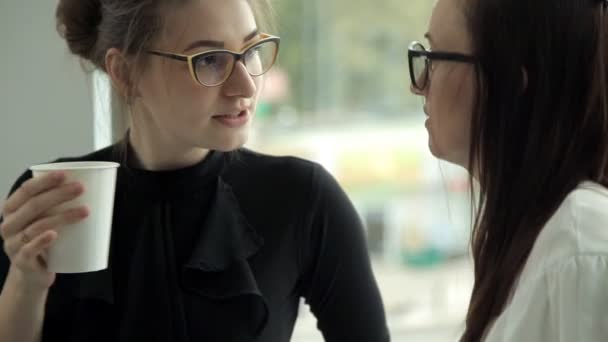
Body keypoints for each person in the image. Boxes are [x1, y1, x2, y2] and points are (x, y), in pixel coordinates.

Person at [0, 0, 391, 341]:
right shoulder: (52, 199)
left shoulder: (302, 198)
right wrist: (26, 284)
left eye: (251, 49)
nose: (246, 85)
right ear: (124, 72)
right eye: (208, 59)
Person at [408, 0, 608, 340]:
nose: (418, 84)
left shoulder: (582, 245)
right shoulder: (535, 237)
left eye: (436, 58)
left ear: (510, 85)